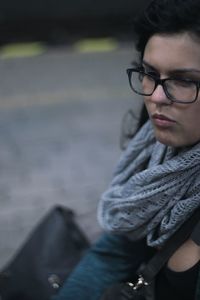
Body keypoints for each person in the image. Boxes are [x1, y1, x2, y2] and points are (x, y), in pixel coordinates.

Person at [54, 0, 200, 299]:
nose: (157, 96)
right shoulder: (156, 151)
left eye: (185, 80)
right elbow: (113, 253)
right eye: (149, 73)